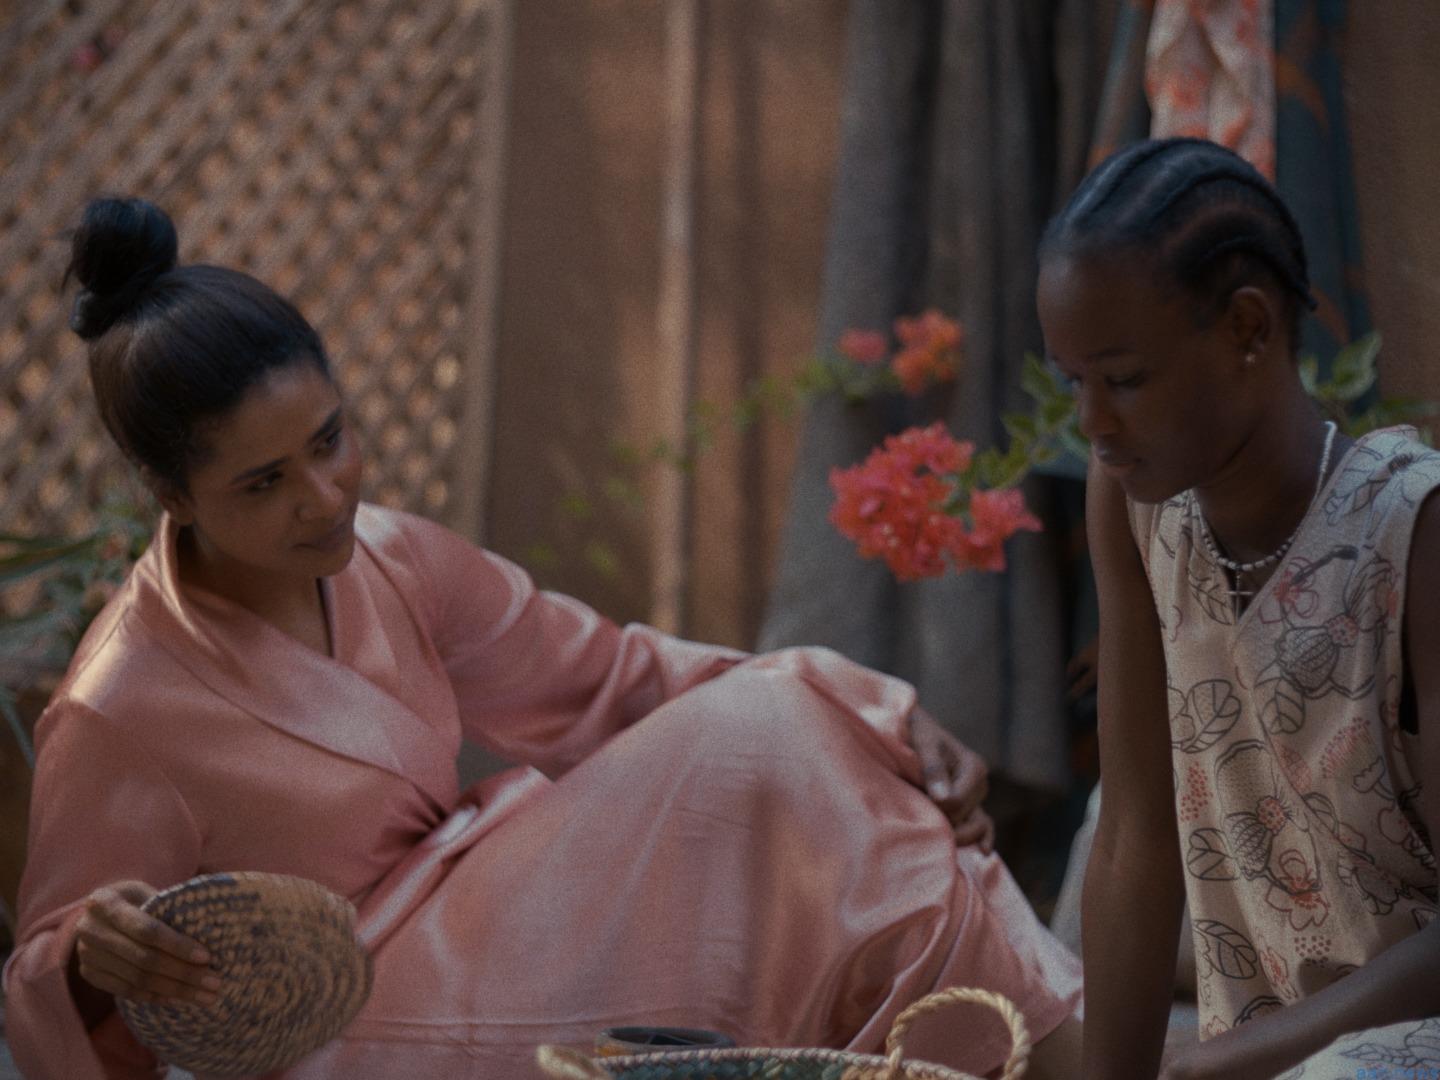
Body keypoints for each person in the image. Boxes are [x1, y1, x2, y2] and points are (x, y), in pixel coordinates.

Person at [3, 198, 1084, 1079]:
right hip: (351, 1038)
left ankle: (1050, 1049)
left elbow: (617, 681)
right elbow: (44, 976)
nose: (325, 496)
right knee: (800, 770)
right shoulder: (121, 702)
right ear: (170, 495)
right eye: (263, 482)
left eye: (330, 439)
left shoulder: (391, 557)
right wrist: (102, 953)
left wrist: (873, 712)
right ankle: (1074, 1052)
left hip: (491, 938)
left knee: (802, 751)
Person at [1037, 136, 1440, 1080]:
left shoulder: (1411, 532)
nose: (1094, 423)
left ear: (1248, 329)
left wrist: (1233, 1059)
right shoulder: (1135, 507)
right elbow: (1134, 844)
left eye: (1124, 379)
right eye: (1074, 383)